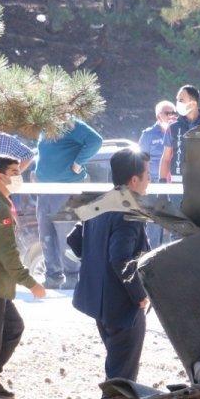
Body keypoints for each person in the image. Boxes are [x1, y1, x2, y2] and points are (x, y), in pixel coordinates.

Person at [67, 148, 151, 383]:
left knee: (116, 362)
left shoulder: (100, 203)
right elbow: (120, 259)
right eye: (148, 175)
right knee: (122, 374)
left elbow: (74, 240)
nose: (150, 181)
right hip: (122, 304)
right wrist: (140, 295)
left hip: (98, 301)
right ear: (134, 180)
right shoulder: (128, 211)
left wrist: (96, 263)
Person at [0, 155, 47, 399]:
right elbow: (8, 256)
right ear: (0, 177)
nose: (18, 176)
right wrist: (31, 283)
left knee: (13, 328)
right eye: (13, 172)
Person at [34, 117, 102, 290]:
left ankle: (73, 276)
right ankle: (53, 276)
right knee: (46, 235)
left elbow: (96, 141)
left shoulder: (70, 123)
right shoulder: (46, 124)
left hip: (66, 190)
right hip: (45, 190)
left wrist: (78, 164)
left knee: (66, 235)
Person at [138, 101, 176, 248]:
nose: (172, 116)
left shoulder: (177, 131)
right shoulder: (148, 134)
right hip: (154, 183)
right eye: (168, 113)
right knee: (154, 222)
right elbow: (141, 159)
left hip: (174, 183)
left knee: (175, 220)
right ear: (158, 116)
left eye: (174, 113)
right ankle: (152, 253)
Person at [160, 85, 200, 182]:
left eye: (181, 100)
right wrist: (162, 183)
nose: (178, 103)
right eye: (177, 100)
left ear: (193, 103)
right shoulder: (172, 127)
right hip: (177, 182)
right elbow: (165, 158)